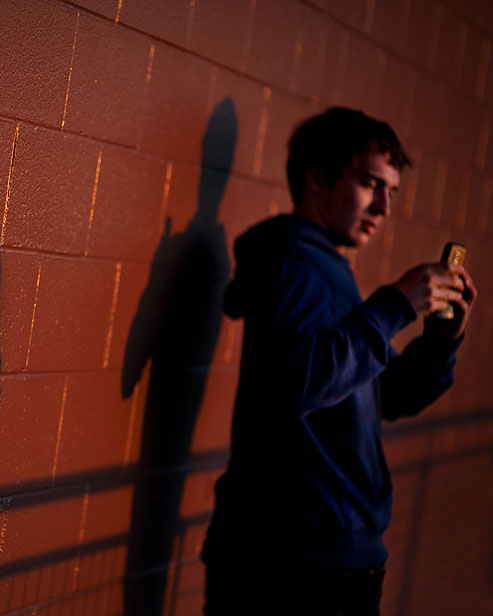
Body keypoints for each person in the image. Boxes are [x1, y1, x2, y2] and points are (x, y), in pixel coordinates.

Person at [200, 107, 477, 615]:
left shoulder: (326, 269)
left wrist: (441, 340)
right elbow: (301, 382)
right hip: (294, 562)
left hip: (324, 550)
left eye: (391, 191)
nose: (384, 207)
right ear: (317, 178)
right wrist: (394, 306)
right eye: (372, 183)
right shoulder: (295, 262)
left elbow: (385, 394)